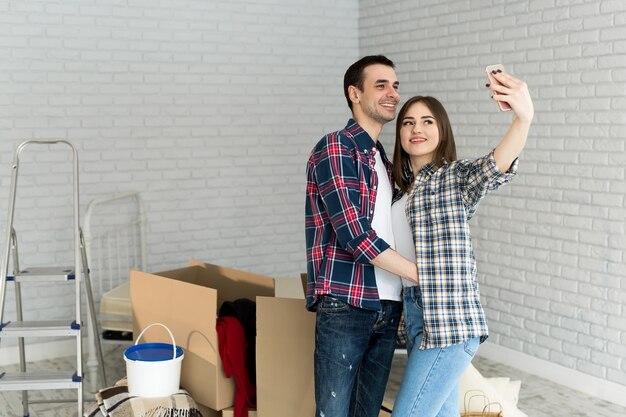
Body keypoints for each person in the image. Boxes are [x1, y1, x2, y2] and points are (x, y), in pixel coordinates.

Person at [389, 70, 534, 417]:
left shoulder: (455, 178)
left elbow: (495, 165)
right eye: (408, 123)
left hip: (450, 320)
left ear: (441, 131)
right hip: (415, 314)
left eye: (427, 121)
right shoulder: (398, 193)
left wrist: (523, 118)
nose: (416, 129)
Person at [305, 55, 419, 417]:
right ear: (354, 93)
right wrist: (420, 274)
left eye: (396, 85)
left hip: (387, 305)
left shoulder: (381, 161)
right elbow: (355, 235)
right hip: (346, 303)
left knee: (366, 412)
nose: (393, 93)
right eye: (381, 85)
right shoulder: (336, 147)